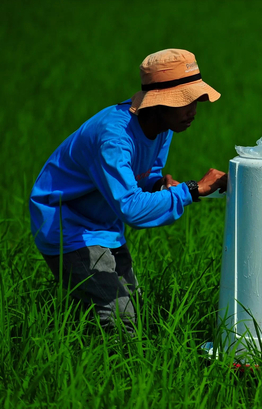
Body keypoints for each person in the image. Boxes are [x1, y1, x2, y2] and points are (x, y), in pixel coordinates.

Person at [29, 49, 227, 337]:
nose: (193, 109)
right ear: (158, 102)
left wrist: (160, 186)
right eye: (185, 101)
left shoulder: (162, 127)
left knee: (136, 309)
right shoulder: (114, 137)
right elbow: (131, 208)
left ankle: (75, 339)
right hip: (67, 225)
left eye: (196, 99)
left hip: (103, 224)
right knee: (120, 320)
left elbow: (144, 179)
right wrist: (193, 190)